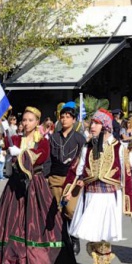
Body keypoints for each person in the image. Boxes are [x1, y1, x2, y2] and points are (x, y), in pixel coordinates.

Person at [0, 107, 77, 264]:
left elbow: (41, 155)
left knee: (35, 221)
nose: (26, 123)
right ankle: (13, 258)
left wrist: (22, 153)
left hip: (35, 185)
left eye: (30, 120)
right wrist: (4, 137)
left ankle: (38, 258)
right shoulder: (16, 139)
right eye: (24, 120)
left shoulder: (42, 141)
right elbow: (6, 146)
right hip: (16, 185)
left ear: (37, 122)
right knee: (12, 220)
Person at [67, 109, 132, 264]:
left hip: (108, 197)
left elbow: (126, 177)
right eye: (91, 123)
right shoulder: (87, 147)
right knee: (92, 235)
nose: (92, 127)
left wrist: (128, 204)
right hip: (90, 196)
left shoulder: (120, 148)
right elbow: (76, 170)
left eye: (96, 123)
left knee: (104, 236)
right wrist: (69, 189)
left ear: (105, 126)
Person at [48, 101, 86, 255]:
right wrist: (45, 176)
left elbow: (84, 159)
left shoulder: (79, 138)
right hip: (55, 177)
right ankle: (62, 239)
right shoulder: (53, 137)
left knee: (70, 209)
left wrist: (82, 177)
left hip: (71, 179)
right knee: (58, 210)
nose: (64, 119)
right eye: (62, 117)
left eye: (68, 117)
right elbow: (48, 158)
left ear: (74, 119)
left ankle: (74, 236)